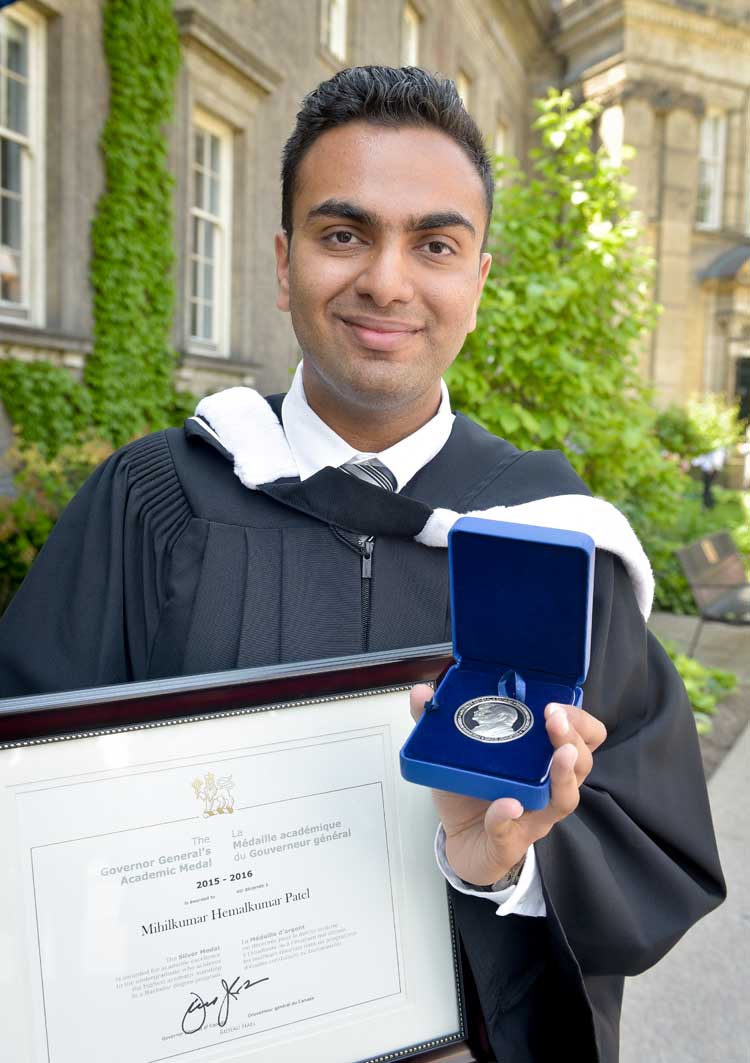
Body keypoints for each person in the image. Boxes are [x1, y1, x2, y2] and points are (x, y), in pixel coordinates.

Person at [0, 66, 724, 1062]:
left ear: (478, 278)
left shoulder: (556, 539)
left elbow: (657, 843)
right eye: (345, 235)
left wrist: (506, 864)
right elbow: (29, 794)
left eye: (434, 243)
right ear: (284, 256)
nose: (387, 280)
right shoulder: (154, 503)